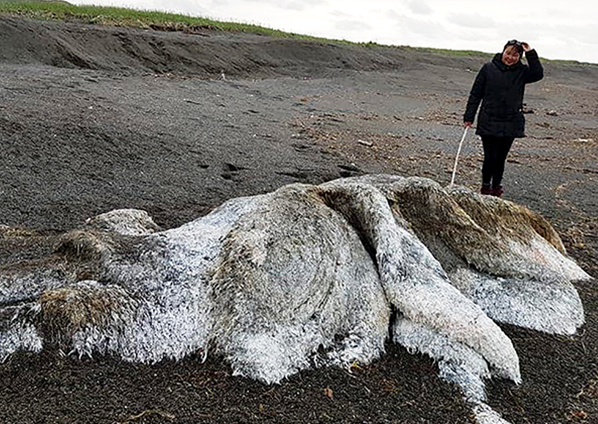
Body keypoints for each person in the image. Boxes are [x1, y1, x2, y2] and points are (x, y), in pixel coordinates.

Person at [463, 40, 544, 197]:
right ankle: (485, 187)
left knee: (501, 158)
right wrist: (469, 116)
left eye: (515, 55)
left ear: (520, 57)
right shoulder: (488, 68)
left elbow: (538, 73)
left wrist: (530, 52)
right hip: (489, 119)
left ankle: (496, 187)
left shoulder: (522, 72)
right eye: (508, 53)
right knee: (490, 157)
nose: (510, 57)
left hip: (511, 120)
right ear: (502, 52)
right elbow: (475, 94)